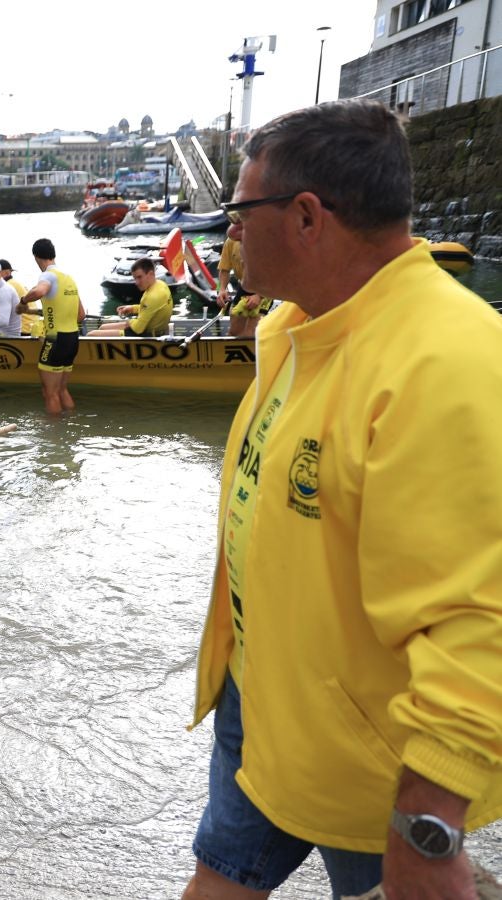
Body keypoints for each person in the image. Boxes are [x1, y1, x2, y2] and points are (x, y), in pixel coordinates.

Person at [183, 99, 502, 899]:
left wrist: (428, 821)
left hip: (374, 767)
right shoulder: (295, 328)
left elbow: (477, 615)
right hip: (263, 712)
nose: (229, 233)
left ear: (305, 217)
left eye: (237, 211)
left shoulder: (444, 362)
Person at [15, 238, 84, 416]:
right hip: (72, 339)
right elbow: (81, 315)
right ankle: (71, 424)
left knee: (49, 392)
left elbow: (39, 292)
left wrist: (23, 301)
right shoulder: (69, 279)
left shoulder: (47, 275)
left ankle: (55, 438)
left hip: (55, 340)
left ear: (37, 257)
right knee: (62, 390)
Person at [85, 259, 171, 337]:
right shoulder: (161, 284)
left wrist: (129, 322)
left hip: (146, 334)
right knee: (102, 327)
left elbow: (138, 328)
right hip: (149, 329)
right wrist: (132, 308)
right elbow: (151, 308)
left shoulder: (153, 296)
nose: (136, 282)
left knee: (91, 334)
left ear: (151, 274)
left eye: (139, 277)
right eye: (135, 278)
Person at [215, 237, 270, 339]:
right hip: (244, 286)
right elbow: (224, 269)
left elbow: (276, 274)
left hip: (266, 288)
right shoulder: (231, 241)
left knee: (251, 332)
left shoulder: (266, 240)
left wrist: (259, 296)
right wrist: (222, 289)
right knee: (234, 331)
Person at [0, 258, 40, 336]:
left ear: (6, 273)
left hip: (24, 330)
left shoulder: (8, 286)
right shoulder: (15, 283)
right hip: (32, 327)